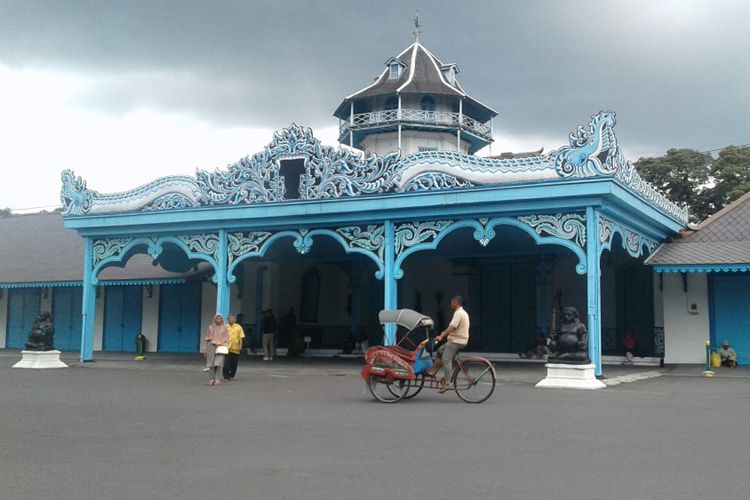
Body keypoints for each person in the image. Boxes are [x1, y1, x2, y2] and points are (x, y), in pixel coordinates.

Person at [431, 295, 470, 393]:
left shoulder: (458, 313)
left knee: (446, 360)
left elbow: (452, 327)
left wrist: (442, 335)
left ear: (455, 303)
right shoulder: (461, 312)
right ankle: (434, 370)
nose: (450, 304)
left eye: (452, 302)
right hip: (458, 340)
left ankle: (447, 382)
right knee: (440, 350)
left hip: (456, 341)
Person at [205, 313, 229, 386]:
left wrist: (220, 343)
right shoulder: (210, 327)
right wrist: (205, 349)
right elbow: (206, 337)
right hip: (211, 346)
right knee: (211, 363)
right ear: (214, 319)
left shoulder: (224, 328)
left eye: (220, 318)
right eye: (217, 318)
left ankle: (217, 379)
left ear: (222, 319)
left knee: (218, 363)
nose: (218, 320)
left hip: (220, 347)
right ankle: (211, 379)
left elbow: (227, 338)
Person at [222, 314, 245, 381]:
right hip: (227, 348)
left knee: (234, 363)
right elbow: (222, 336)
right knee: (226, 362)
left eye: (233, 318)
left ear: (234, 319)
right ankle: (226, 376)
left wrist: (240, 345)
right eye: (230, 318)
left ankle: (232, 374)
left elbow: (241, 337)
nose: (231, 320)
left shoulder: (238, 327)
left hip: (236, 348)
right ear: (228, 319)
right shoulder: (225, 327)